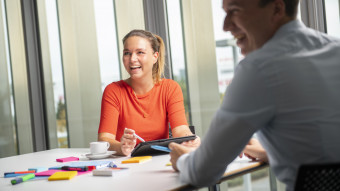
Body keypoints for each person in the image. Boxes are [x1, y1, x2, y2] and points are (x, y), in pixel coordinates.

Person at [169, 0, 340, 190]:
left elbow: (202, 172)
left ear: (276, 8)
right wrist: (272, 152)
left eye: (234, 11)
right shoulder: (335, 48)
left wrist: (182, 158)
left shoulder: (260, 68)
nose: (225, 26)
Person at [98, 29, 200, 156]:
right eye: (127, 53)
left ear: (155, 57)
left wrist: (190, 139)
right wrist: (121, 147)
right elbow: (104, 139)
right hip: (127, 164)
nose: (132, 59)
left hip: (160, 162)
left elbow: (180, 129)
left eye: (140, 52)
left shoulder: (170, 88)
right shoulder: (113, 91)